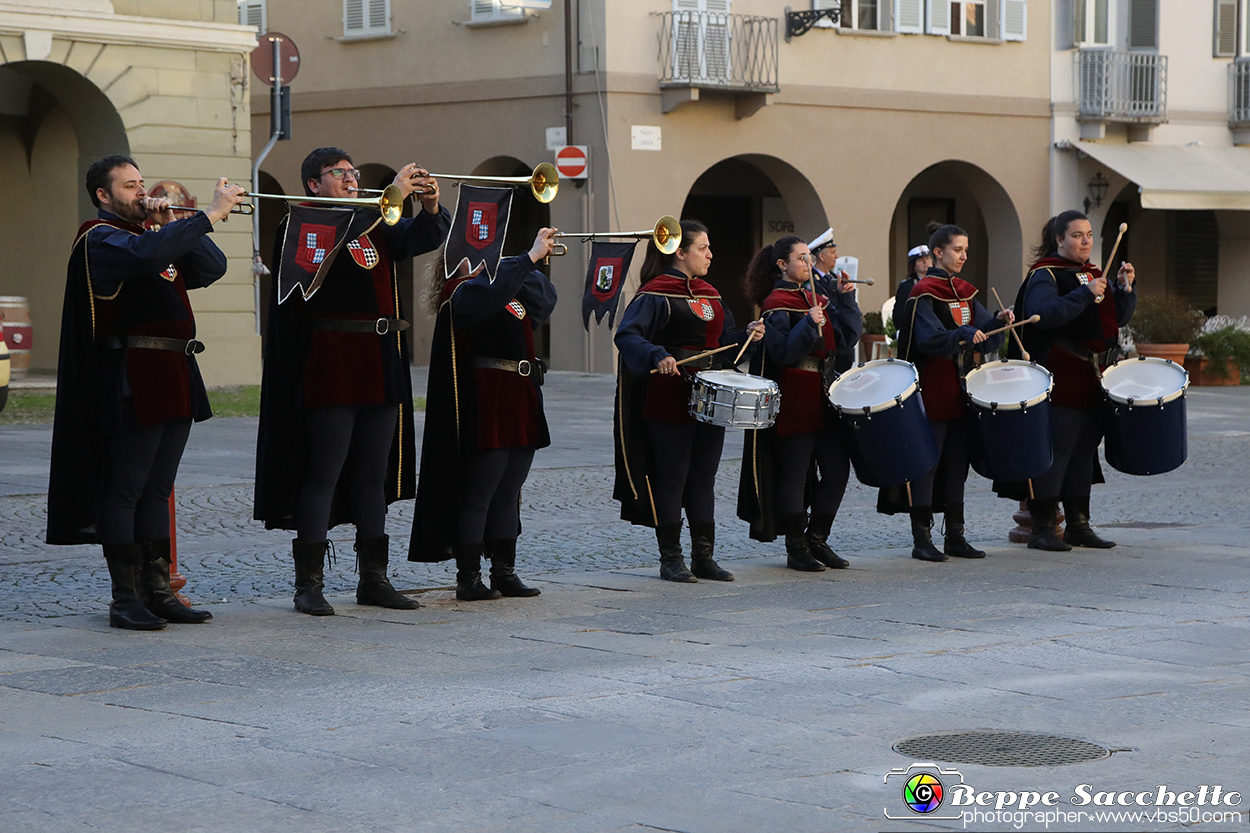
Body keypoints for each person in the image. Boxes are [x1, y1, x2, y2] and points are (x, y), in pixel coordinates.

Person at [46, 155, 245, 629]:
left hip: (174, 370)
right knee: (126, 488)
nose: (142, 192)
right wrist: (209, 215)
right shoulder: (100, 238)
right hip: (133, 373)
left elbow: (210, 267)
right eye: (131, 186)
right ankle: (125, 598)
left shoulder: (153, 237)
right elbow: (144, 260)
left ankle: (159, 591)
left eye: (141, 184)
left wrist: (175, 221)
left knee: (157, 489)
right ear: (104, 195)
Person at [254, 148, 450, 616]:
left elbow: (419, 238)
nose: (350, 178)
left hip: (380, 358)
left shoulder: (375, 222)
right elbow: (332, 245)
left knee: (372, 471)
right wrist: (394, 194)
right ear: (313, 185)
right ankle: (309, 585)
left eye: (352, 172)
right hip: (332, 362)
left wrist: (429, 206)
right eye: (338, 173)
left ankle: (374, 579)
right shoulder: (301, 224)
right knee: (325, 468)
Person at [409, 228, 559, 600]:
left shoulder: (502, 286)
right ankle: (469, 577)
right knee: (480, 492)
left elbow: (543, 299)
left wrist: (522, 265)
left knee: (510, 491)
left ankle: (504, 572)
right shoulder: (460, 292)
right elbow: (484, 298)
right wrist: (524, 259)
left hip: (520, 394)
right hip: (489, 399)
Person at [613, 220, 764, 583]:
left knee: (703, 478)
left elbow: (723, 342)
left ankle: (703, 557)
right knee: (672, 478)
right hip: (668, 398)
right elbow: (627, 335)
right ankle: (671, 559)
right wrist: (656, 355)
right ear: (680, 252)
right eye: (703, 248)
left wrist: (747, 334)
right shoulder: (655, 293)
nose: (710, 255)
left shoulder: (711, 294)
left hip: (709, 398)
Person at [883, 222, 1012, 562]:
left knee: (958, 463)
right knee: (928, 463)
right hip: (933, 387)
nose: (963, 256)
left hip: (962, 388)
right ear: (938, 252)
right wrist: (965, 334)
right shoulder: (923, 291)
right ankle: (921, 539)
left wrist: (999, 320)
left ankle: (955, 535)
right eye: (958, 250)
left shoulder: (967, 291)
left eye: (966, 250)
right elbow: (928, 338)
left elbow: (984, 330)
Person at [1010, 210, 1136, 550]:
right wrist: (1085, 294)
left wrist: (1124, 290)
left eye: (1090, 234)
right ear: (1060, 240)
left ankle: (1079, 524)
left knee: (1084, 451)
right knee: (1058, 450)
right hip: (1062, 372)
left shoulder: (1094, 273)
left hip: (1094, 377)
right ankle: (1043, 528)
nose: (1086, 241)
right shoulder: (1045, 274)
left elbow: (1114, 319)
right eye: (1078, 235)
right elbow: (1043, 316)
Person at [738, 236, 861, 572]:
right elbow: (783, 352)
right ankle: (796, 547)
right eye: (802, 257)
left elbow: (846, 341)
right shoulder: (775, 303)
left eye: (810, 257)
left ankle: (817, 538)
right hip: (796, 393)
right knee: (793, 474)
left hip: (825, 392)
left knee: (837, 470)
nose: (809, 263)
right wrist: (809, 323)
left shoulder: (816, 297)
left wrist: (846, 302)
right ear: (782, 265)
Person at [808, 228, 857, 372]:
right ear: (822, 257)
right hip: (828, 350)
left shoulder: (835, 279)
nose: (837, 256)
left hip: (842, 351)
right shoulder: (811, 282)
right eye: (833, 252)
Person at [892, 245, 932, 331]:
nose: (925, 262)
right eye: (920, 260)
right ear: (914, 266)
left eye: (928, 258)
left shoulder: (941, 282)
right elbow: (900, 315)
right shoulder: (907, 286)